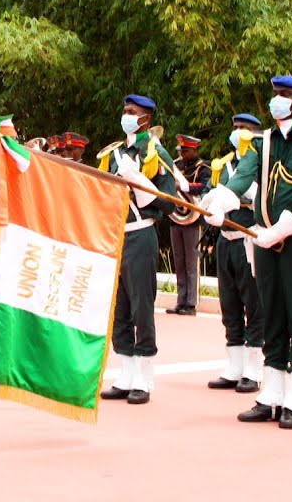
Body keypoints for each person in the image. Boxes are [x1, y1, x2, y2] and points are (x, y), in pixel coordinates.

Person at [202, 75, 292, 429]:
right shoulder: (263, 141)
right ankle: (271, 394)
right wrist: (224, 199)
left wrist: (283, 227)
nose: (278, 100)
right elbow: (244, 174)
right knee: (271, 314)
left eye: (286, 95)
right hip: (265, 240)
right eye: (276, 94)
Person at [97, 94, 177, 405]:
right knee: (119, 307)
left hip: (142, 235)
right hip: (116, 235)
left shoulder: (156, 153)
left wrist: (141, 183)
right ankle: (125, 373)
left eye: (131, 112)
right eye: (124, 111)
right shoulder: (113, 153)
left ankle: (144, 377)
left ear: (145, 118)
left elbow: (170, 202)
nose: (126, 116)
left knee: (142, 305)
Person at [204, 113, 265, 394]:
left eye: (245, 129)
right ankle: (234, 365)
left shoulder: (263, 167)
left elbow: (268, 202)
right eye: (236, 128)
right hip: (226, 241)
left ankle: (253, 368)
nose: (238, 133)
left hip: (249, 239)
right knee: (229, 304)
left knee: (253, 304)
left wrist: (245, 197)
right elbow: (207, 196)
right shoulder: (223, 165)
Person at [166, 134, 207, 315]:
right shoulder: (176, 166)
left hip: (194, 219)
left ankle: (191, 304)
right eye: (180, 150)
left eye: (185, 150)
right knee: (179, 261)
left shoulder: (203, 167)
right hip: (176, 217)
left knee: (191, 263)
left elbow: (206, 187)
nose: (182, 153)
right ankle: (180, 300)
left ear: (194, 150)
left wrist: (187, 187)